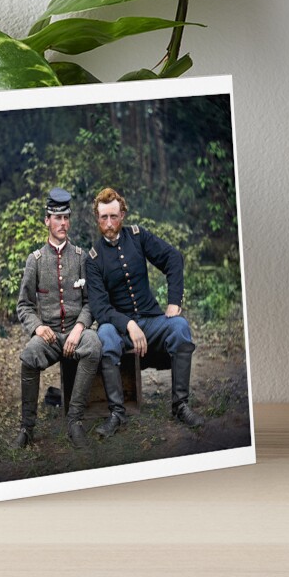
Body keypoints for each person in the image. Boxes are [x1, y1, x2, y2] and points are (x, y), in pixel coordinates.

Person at [85, 187, 204, 436]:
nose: (108, 223)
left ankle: (180, 405)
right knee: (104, 334)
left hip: (151, 321)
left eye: (113, 216)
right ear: (97, 218)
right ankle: (117, 413)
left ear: (123, 215)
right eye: (103, 217)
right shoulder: (93, 259)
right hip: (120, 329)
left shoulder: (138, 237)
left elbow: (173, 258)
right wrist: (128, 324)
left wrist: (174, 302)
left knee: (180, 326)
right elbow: (100, 307)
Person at [12, 188, 102, 450]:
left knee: (94, 344)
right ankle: (27, 428)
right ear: (47, 221)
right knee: (29, 356)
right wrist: (38, 327)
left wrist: (80, 328)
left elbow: (90, 303)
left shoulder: (80, 257)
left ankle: (74, 421)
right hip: (50, 336)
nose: (63, 223)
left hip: (76, 332)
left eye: (66, 218)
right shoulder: (36, 261)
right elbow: (24, 305)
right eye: (57, 218)